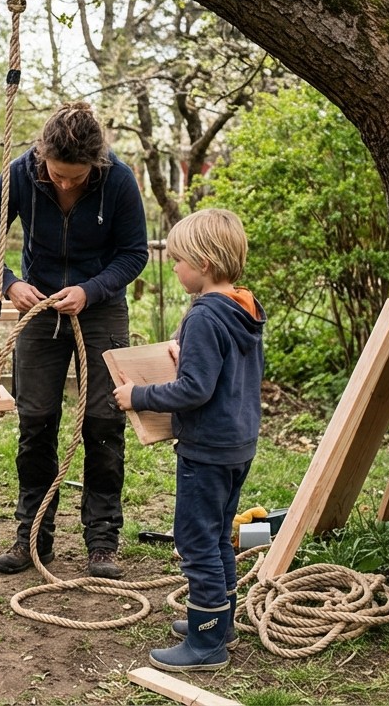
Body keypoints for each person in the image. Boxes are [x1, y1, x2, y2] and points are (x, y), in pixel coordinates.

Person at [0, 102, 148, 578]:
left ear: (96, 163)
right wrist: (10, 283)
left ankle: (102, 543)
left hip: (101, 308)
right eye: (57, 174)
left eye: (77, 177)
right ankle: (32, 539)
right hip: (39, 306)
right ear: (41, 156)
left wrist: (92, 289)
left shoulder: (120, 180)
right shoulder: (19, 175)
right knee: (36, 422)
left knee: (104, 424)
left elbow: (134, 253)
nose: (66, 184)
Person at [112, 208, 266, 672]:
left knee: (196, 541)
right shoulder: (243, 309)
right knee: (218, 536)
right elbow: (220, 370)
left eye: (178, 260)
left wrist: (137, 396)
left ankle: (206, 644)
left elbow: (194, 390)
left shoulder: (204, 316)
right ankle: (220, 622)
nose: (174, 267)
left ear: (204, 263)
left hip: (206, 449)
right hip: (238, 444)